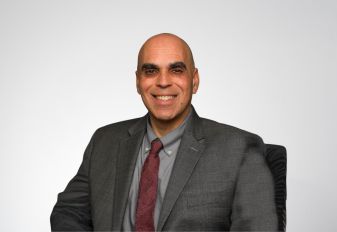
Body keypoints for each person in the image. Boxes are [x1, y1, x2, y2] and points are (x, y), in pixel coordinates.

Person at [51, 33, 278, 231]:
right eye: (151, 71)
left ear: (195, 80)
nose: (163, 82)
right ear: (138, 82)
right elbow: (69, 212)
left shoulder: (239, 149)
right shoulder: (105, 141)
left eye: (176, 70)